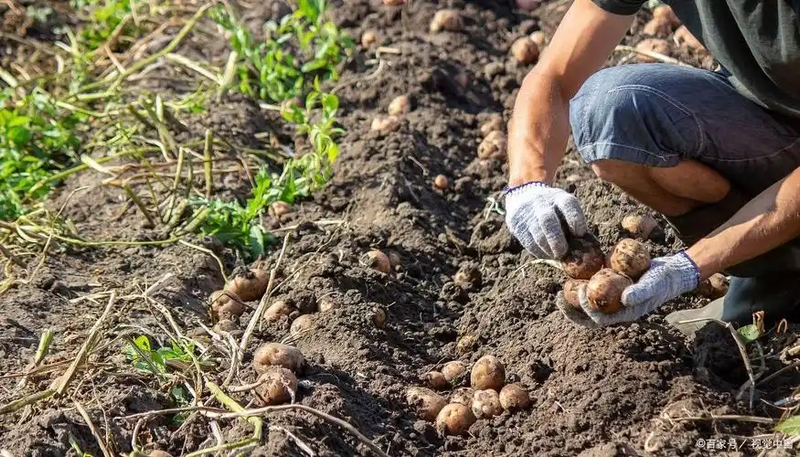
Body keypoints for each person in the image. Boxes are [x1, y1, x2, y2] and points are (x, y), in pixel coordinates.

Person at [504, 0, 800, 332]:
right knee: (611, 108)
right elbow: (555, 76)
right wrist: (527, 184)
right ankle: (775, 270)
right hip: (768, 122)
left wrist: (691, 266)